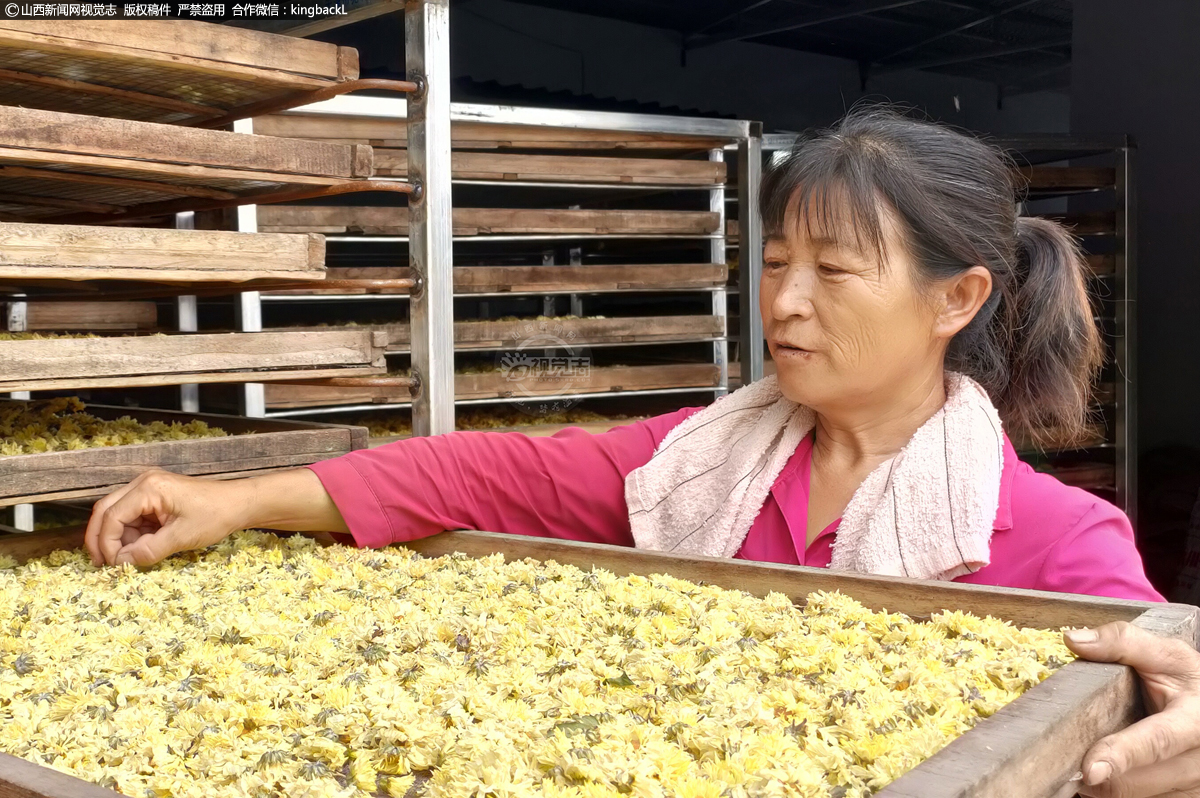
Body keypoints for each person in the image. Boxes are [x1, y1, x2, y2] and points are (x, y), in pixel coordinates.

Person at [85, 107, 1196, 795]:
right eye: (774, 262)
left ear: (956, 297)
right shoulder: (696, 465)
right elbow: (482, 475)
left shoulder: (1054, 540)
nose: (786, 303)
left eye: (834, 271)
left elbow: (1167, 700)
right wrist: (239, 499)